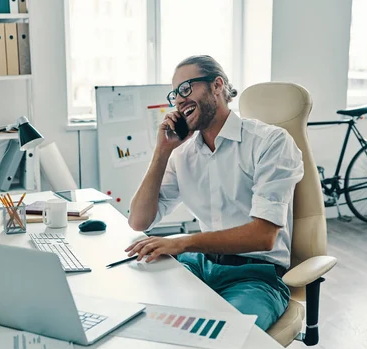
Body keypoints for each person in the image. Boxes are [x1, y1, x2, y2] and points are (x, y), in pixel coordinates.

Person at [125, 55, 304, 331]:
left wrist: (182, 242)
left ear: (217, 85)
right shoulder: (182, 153)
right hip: (199, 267)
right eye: (175, 94)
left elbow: (264, 236)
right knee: (142, 316)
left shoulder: (270, 142)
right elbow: (139, 221)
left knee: (225, 337)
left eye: (186, 89)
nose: (179, 100)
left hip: (255, 277)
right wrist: (161, 152)